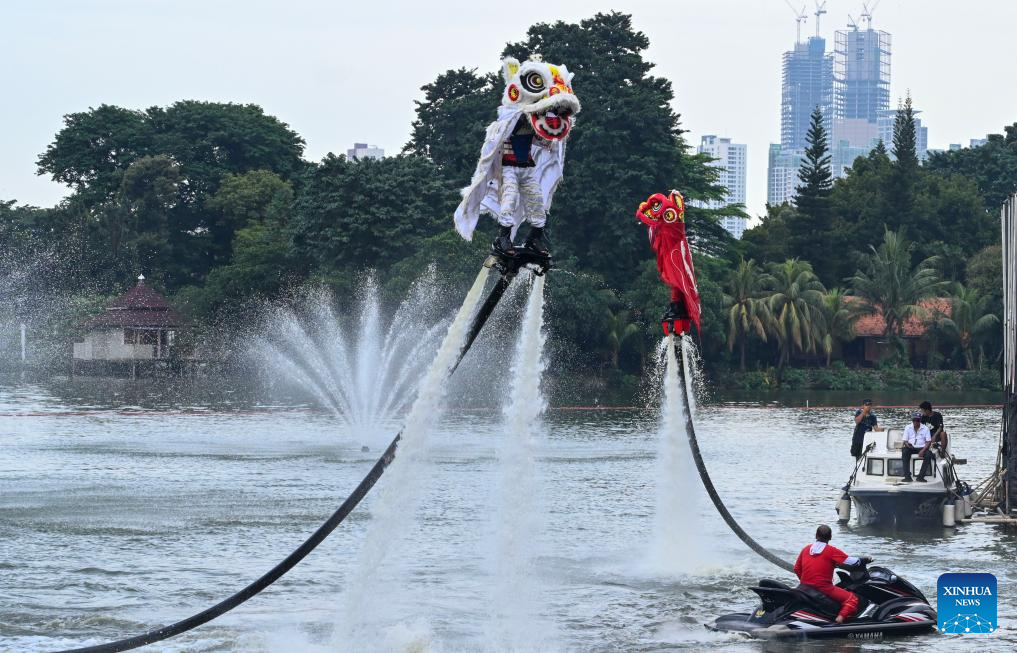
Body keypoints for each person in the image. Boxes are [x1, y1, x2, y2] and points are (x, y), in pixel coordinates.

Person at [453, 55, 581, 258]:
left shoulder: (534, 122)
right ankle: (503, 238)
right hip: (510, 168)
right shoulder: (510, 121)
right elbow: (500, 134)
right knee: (509, 200)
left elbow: (544, 139)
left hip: (527, 167)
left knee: (537, 202)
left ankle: (534, 238)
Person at [634, 190, 701, 334]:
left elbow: (649, 219)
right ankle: (676, 305)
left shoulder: (671, 211)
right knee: (674, 279)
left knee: (677, 278)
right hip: (669, 250)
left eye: (656, 204)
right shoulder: (665, 215)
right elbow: (650, 220)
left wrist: (641, 213)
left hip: (676, 251)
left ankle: (678, 306)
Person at [793, 524, 871, 623]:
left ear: (816, 536)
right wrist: (866, 560)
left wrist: (805, 582)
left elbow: (796, 569)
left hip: (804, 586)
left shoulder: (806, 549)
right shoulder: (831, 551)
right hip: (824, 587)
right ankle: (840, 619)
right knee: (852, 599)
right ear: (830, 537)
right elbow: (852, 561)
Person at [901, 412, 933, 482]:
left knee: (928, 455)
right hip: (911, 447)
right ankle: (907, 477)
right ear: (912, 420)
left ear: (920, 420)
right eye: (914, 420)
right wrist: (908, 445)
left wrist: (923, 450)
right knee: (904, 452)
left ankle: (920, 477)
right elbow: (905, 440)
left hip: (922, 447)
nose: (915, 422)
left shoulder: (926, 428)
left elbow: (928, 442)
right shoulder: (907, 427)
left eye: (917, 420)